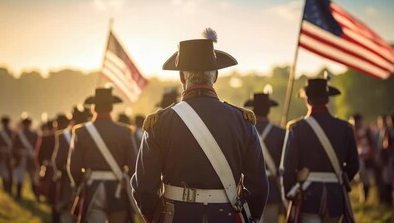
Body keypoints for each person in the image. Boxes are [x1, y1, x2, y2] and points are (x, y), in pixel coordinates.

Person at [131, 31, 268, 223]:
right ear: (216, 76)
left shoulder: (160, 123)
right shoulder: (242, 121)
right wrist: (247, 216)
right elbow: (258, 186)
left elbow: (144, 187)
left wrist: (156, 217)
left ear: (181, 77)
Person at [281, 78, 359, 223]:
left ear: (308, 101)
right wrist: (338, 180)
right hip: (335, 196)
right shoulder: (345, 128)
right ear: (327, 100)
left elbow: (288, 167)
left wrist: (289, 192)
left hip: (307, 195)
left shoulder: (296, 128)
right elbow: (354, 164)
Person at [67, 88, 136, 223]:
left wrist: (82, 185)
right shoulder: (125, 132)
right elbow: (134, 166)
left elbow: (74, 169)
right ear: (111, 108)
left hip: (93, 189)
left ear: (94, 108)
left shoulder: (81, 132)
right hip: (117, 190)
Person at [244, 89, 285, 223]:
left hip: (248, 190)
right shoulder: (280, 133)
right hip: (272, 190)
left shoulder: (244, 132)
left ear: (253, 109)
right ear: (268, 110)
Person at [52, 105, 91, 223]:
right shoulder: (90, 135)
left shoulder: (63, 136)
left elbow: (57, 162)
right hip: (89, 182)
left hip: (68, 182)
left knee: (67, 215)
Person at [350, 113, 377, 203]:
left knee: (366, 180)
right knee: (360, 178)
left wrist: (373, 154)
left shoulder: (367, 131)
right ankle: (363, 198)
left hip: (367, 158)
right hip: (359, 158)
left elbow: (372, 144)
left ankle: (365, 198)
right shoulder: (351, 132)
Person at [12, 115, 40, 201]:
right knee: (20, 178)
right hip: (21, 158)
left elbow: (38, 147)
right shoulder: (18, 135)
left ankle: (37, 196)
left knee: (33, 178)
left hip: (31, 159)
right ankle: (19, 195)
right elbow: (14, 147)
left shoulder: (34, 134)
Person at [0, 116, 14, 193]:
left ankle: (9, 189)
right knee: (4, 172)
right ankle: (6, 188)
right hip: (1, 155)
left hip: (10, 155)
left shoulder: (12, 132)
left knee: (10, 173)